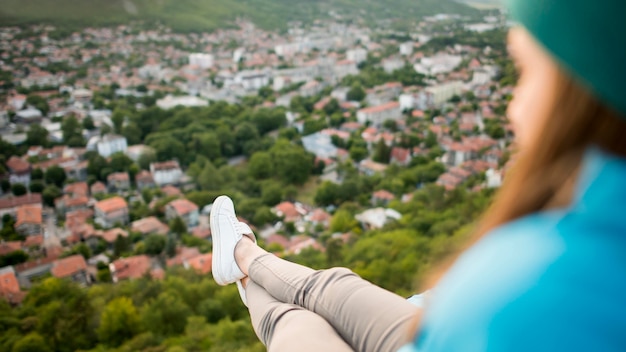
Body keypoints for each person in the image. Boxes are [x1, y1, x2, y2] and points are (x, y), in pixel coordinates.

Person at [211, 0, 626, 350]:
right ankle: (245, 254)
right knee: (330, 286)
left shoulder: (533, 282)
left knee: (293, 322)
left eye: (524, 71)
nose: (512, 108)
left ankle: (244, 269)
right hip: (434, 324)